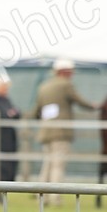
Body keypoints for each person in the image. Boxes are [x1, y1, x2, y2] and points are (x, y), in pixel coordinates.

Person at [33, 58, 98, 195]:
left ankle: (41, 194)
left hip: (46, 132)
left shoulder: (44, 86)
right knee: (58, 165)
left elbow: (36, 111)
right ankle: (55, 196)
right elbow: (79, 101)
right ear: (65, 72)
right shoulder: (66, 85)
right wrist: (93, 106)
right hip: (61, 133)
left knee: (47, 164)